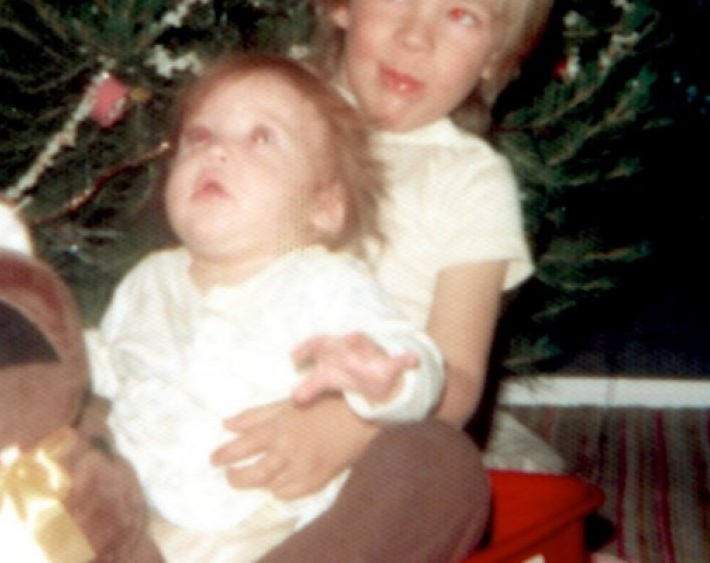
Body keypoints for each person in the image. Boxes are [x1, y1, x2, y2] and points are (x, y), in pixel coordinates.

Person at [211, 0, 561, 560]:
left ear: (495, 57)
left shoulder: (469, 182)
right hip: (211, 414)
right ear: (339, 6)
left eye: (460, 14)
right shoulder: (263, 118)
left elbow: (458, 376)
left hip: (358, 470)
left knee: (441, 467)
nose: (415, 38)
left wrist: (352, 423)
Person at [86, 54, 453, 562]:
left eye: (261, 138)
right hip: (142, 518)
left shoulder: (322, 282)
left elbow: (419, 359)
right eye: (199, 136)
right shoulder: (147, 281)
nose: (216, 152)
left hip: (268, 524)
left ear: (323, 207)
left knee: (423, 472)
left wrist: (386, 379)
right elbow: (107, 365)